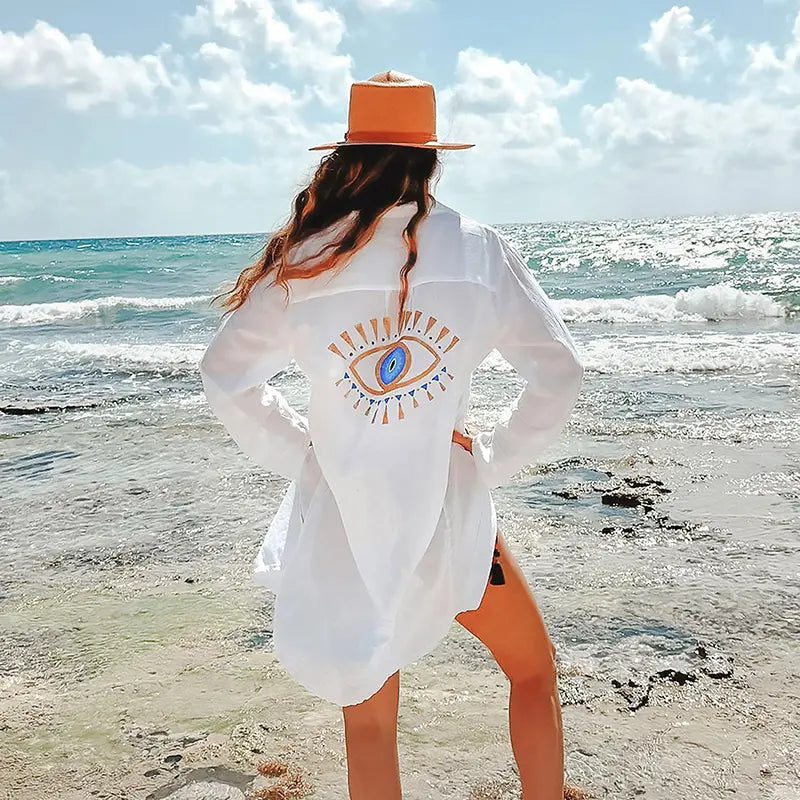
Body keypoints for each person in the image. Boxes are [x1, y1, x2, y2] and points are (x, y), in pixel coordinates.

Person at [200, 70, 585, 800]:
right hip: (448, 512)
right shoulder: (477, 249)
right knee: (532, 671)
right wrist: (493, 458)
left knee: (371, 721)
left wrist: (308, 453)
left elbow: (225, 376)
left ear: (347, 158)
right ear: (430, 159)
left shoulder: (308, 259)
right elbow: (560, 372)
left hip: (347, 522)